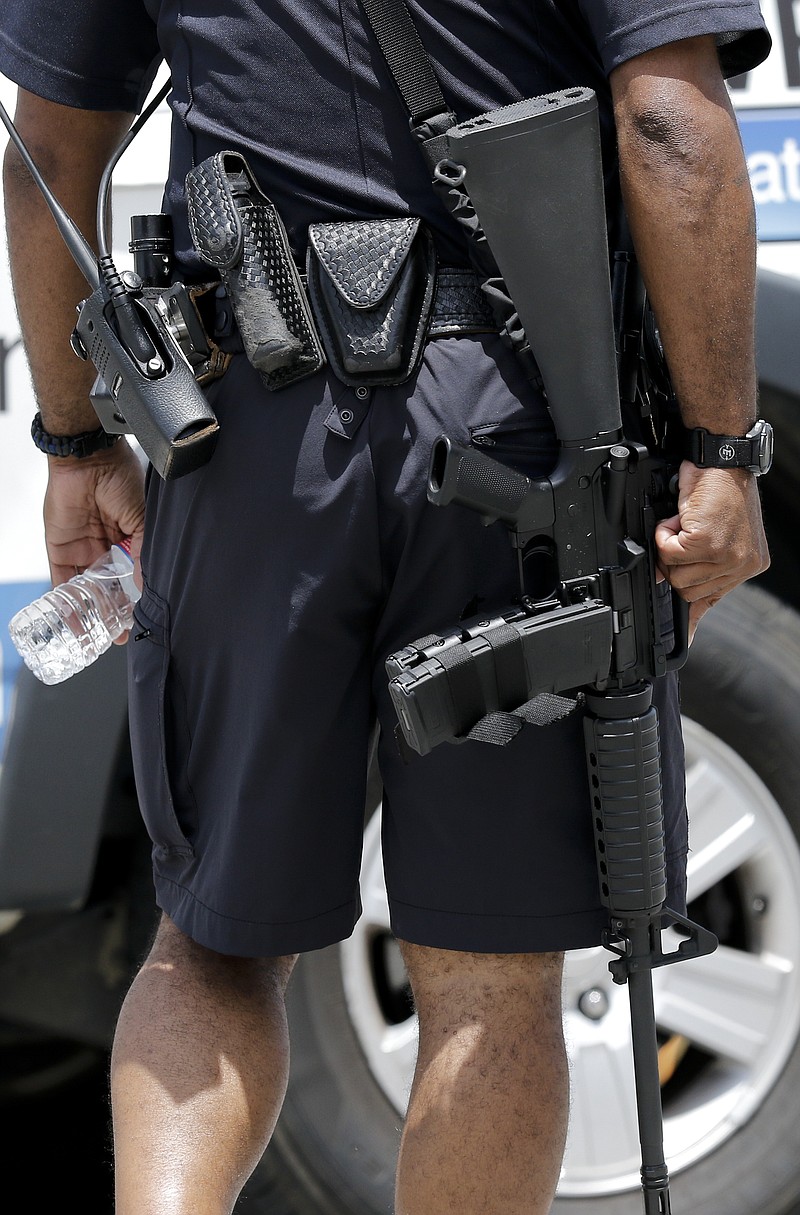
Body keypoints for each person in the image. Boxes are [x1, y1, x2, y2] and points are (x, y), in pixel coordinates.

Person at [0, 2, 771, 1212]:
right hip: (524, 429)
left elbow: (50, 151)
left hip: (249, 430)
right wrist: (722, 450)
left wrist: (75, 439)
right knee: (492, 970)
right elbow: (666, 121)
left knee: (212, 943)